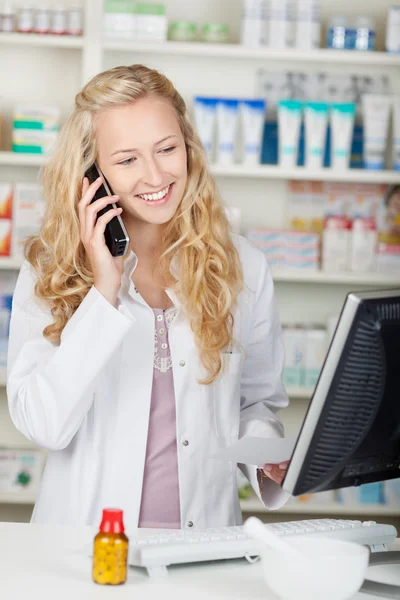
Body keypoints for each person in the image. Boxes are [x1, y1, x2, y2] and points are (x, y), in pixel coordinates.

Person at [7, 64, 290, 530]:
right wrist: (104, 290)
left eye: (166, 149)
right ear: (91, 174)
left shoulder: (242, 267)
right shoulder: (52, 271)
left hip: (205, 547)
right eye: (126, 160)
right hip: (84, 549)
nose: (155, 175)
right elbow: (44, 425)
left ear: (188, 149)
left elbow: (253, 403)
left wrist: (267, 457)